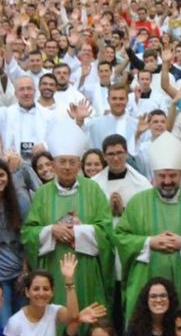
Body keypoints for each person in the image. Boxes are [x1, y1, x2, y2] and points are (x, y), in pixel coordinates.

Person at [115, 133, 181, 318]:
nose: (167, 181)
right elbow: (121, 237)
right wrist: (149, 243)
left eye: (173, 175)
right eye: (162, 176)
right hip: (144, 282)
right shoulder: (138, 203)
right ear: (153, 176)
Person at [21, 122, 116, 325]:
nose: (66, 167)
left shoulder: (93, 190)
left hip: (86, 269)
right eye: (62, 162)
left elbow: (107, 232)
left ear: (79, 165)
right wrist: (51, 230)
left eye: (72, 162)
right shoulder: (43, 193)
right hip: (53, 267)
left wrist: (79, 232)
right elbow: (28, 232)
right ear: (53, 165)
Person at [3, 255, 81, 336]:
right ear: (27, 292)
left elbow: (73, 315)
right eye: (36, 289)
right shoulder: (15, 322)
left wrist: (69, 281)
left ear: (52, 292)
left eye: (46, 289)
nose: (41, 293)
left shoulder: (53, 311)